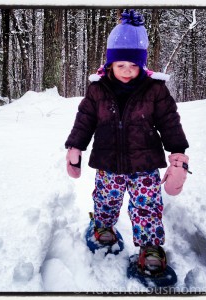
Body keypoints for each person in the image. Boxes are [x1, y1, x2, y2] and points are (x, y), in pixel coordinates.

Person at [65, 9, 190, 275]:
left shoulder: (155, 90)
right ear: (110, 63)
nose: (127, 71)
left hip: (144, 165)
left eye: (134, 66)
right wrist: (75, 147)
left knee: (147, 207)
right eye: (121, 65)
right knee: (105, 201)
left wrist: (178, 155)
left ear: (142, 65)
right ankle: (104, 228)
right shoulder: (98, 90)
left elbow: (169, 121)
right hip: (108, 163)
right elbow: (84, 120)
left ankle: (150, 249)